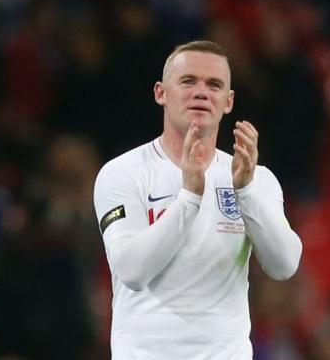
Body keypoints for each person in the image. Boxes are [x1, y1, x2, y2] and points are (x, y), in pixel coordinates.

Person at [92, 40, 303, 359]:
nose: (201, 92)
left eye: (214, 84)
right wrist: (189, 198)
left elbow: (284, 265)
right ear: (160, 93)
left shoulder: (256, 179)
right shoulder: (124, 173)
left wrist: (245, 193)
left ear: (228, 101)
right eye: (188, 81)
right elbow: (132, 271)